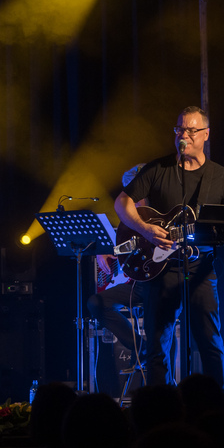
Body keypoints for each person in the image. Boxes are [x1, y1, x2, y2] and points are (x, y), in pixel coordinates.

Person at [113, 106, 224, 394]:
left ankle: (219, 402)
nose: (183, 135)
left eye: (191, 130)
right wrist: (144, 229)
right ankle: (160, 404)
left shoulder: (221, 177)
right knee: (156, 344)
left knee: (209, 340)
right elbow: (122, 202)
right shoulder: (158, 169)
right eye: (179, 129)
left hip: (200, 268)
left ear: (206, 134)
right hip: (161, 270)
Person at [86, 163, 147, 384]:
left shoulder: (162, 214)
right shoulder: (128, 218)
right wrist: (103, 251)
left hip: (160, 282)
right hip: (137, 284)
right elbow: (122, 245)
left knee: (161, 319)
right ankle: (140, 347)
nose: (133, 201)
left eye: (137, 195)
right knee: (96, 303)